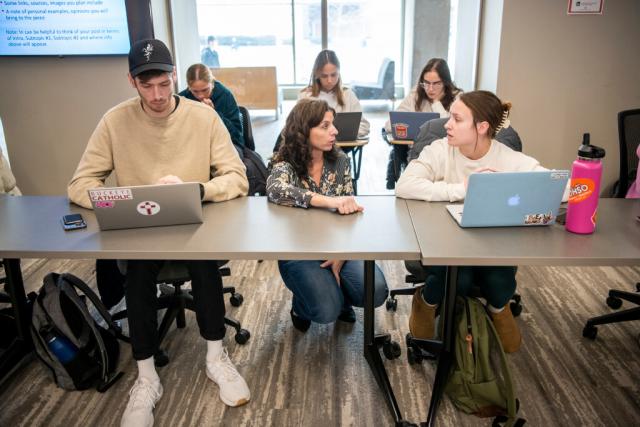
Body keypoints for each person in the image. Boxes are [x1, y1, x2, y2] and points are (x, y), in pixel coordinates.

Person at [67, 39, 250, 426]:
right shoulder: (115, 121)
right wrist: (120, 198)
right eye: (146, 85)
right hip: (142, 228)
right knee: (137, 270)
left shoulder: (203, 118)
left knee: (204, 265)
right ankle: (146, 375)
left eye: (164, 84)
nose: (157, 95)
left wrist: (197, 190)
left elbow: (237, 176)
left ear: (173, 76)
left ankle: (217, 357)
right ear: (132, 81)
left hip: (192, 222)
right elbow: (80, 183)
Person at [395, 90, 561, 354]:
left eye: (457, 119)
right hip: (446, 240)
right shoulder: (439, 150)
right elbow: (405, 186)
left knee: (499, 279)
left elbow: (552, 184)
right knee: (457, 280)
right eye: (450, 117)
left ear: (482, 127)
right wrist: (462, 188)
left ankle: (498, 308)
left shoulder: (506, 157)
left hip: (490, 244)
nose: (447, 124)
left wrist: (574, 189)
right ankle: (425, 302)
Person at [266, 98, 388, 331]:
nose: (335, 131)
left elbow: (350, 212)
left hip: (337, 244)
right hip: (298, 250)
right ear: (304, 130)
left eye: (332, 124)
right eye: (325, 126)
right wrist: (328, 201)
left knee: (375, 291)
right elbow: (275, 189)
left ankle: (338, 294)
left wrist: (340, 254)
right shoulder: (285, 162)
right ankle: (302, 304)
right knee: (326, 310)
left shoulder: (340, 160)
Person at [385, 58, 462, 189]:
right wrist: (409, 131)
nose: (430, 89)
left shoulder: (458, 97)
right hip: (416, 152)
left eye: (436, 83)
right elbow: (389, 125)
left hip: (446, 154)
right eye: (426, 83)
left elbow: (448, 127)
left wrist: (436, 103)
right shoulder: (416, 95)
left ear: (445, 82)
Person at [299, 50, 370, 139]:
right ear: (317, 75)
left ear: (339, 73)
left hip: (342, 147)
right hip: (314, 149)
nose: (330, 80)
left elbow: (364, 126)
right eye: (324, 76)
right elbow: (297, 127)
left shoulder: (348, 95)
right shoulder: (305, 96)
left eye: (334, 75)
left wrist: (338, 134)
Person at [179, 63, 244, 149]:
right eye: (195, 91)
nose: (200, 96)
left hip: (226, 145)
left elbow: (237, 137)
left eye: (205, 90)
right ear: (189, 87)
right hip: (194, 146)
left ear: (212, 84)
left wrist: (215, 114)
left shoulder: (225, 95)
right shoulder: (182, 99)